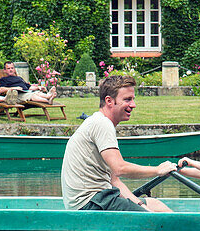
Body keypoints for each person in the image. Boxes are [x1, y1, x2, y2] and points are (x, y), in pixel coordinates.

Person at [61, 75, 176, 212]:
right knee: (152, 219)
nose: (133, 105)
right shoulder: (102, 124)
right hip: (90, 204)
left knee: (154, 205)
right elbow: (120, 168)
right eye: (127, 99)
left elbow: (114, 180)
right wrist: (158, 170)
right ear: (109, 101)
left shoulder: (98, 121)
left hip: (98, 200)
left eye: (133, 99)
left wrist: (141, 205)